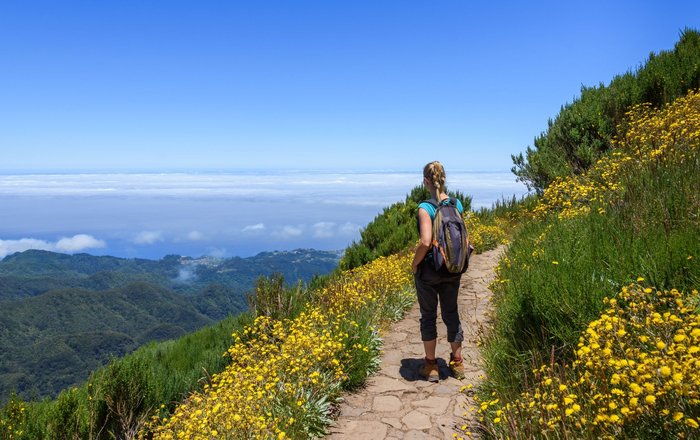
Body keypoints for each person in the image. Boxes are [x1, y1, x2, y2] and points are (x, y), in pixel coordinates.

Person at [411, 161, 465, 382]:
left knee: (428, 316)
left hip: (430, 271)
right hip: (453, 268)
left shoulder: (426, 208)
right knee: (451, 313)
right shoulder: (456, 204)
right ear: (443, 178)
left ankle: (431, 366)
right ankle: (457, 363)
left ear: (425, 181)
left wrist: (415, 264)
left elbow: (425, 242)